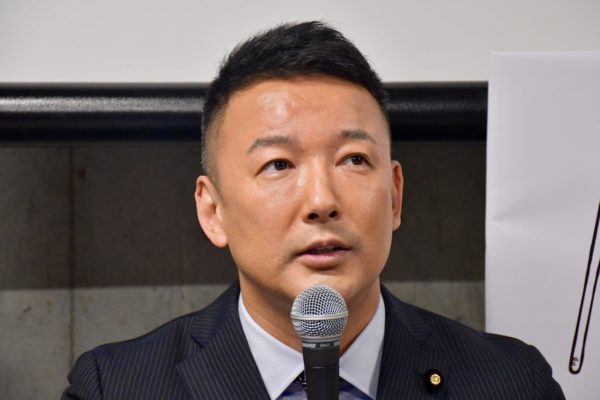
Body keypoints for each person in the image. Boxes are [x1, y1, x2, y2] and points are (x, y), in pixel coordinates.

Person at [62, 21, 564, 399]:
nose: (322, 201)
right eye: (278, 164)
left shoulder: (512, 382)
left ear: (394, 195)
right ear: (213, 211)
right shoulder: (116, 388)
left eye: (353, 160)